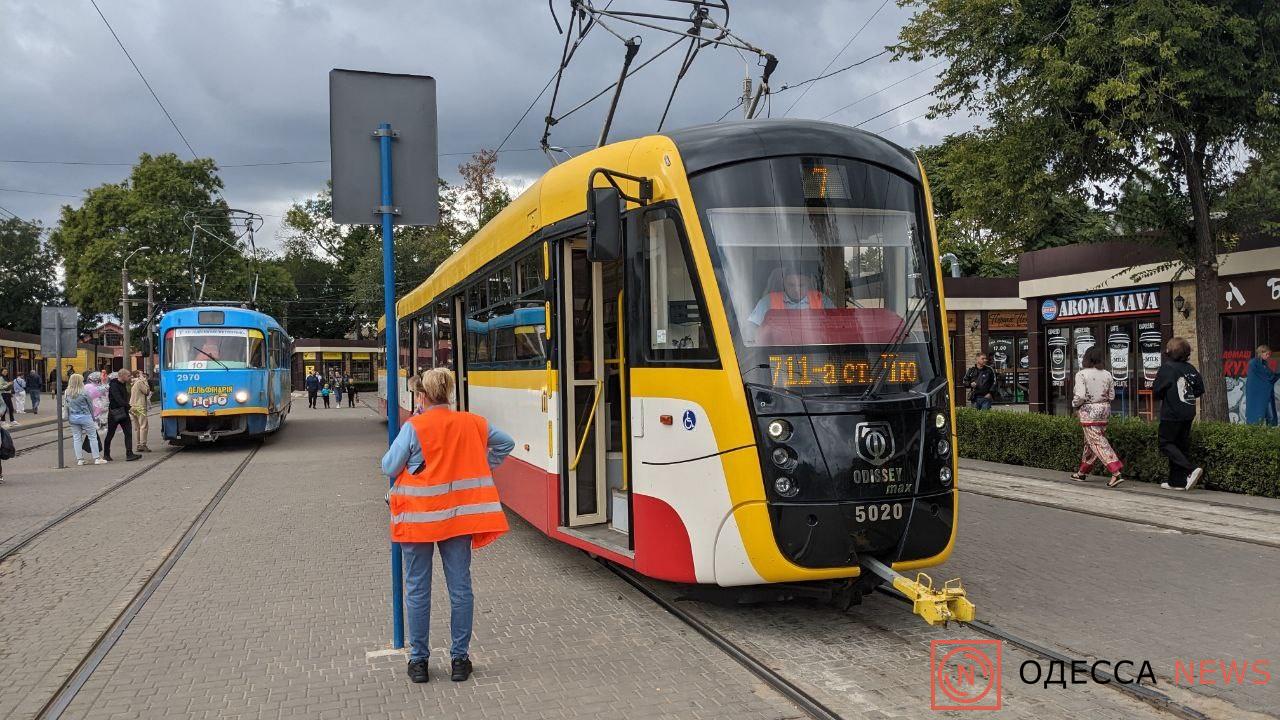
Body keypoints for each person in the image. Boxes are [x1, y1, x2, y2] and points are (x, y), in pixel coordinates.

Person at [381, 368, 514, 684]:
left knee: (417, 588)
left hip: (419, 522)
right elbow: (506, 443)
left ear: (422, 397)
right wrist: (484, 465)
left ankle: (419, 663)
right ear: (449, 393)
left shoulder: (415, 426)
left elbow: (388, 465)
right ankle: (459, 660)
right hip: (458, 519)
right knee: (460, 588)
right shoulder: (473, 423)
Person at [1152, 337, 1204, 491]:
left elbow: (1157, 391)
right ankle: (1177, 482)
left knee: (1165, 443)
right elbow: (1199, 389)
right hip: (1188, 412)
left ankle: (1190, 469)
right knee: (1179, 446)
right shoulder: (1190, 368)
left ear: (1169, 352)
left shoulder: (1167, 368)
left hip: (1172, 412)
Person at [1070, 346, 1125, 487]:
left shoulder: (1082, 374)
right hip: (1105, 410)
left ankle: (1116, 471)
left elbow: (1080, 396)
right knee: (1091, 442)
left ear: (1086, 358)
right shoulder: (1107, 374)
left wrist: (1075, 404)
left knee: (1097, 442)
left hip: (1089, 411)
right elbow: (1111, 395)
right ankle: (1082, 472)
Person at [746, 268, 835, 328]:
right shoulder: (768, 301)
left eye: (801, 285)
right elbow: (752, 328)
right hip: (777, 353)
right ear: (784, 283)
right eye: (791, 285)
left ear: (809, 284)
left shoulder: (822, 300)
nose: (796, 290)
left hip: (816, 352)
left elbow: (836, 326)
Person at [64, 373, 107, 466]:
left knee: (76, 438)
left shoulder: (67, 392)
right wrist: (93, 417)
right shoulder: (84, 392)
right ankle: (97, 458)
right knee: (92, 437)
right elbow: (90, 406)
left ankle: (80, 459)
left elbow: (66, 405)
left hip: (73, 417)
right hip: (85, 417)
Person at [103, 369, 141, 462]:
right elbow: (118, 399)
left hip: (123, 411)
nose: (130, 377)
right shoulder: (114, 385)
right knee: (110, 433)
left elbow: (123, 398)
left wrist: (128, 408)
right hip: (114, 413)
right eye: (128, 376)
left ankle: (129, 453)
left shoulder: (123, 384)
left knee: (128, 432)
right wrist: (129, 407)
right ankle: (106, 454)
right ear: (122, 375)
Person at [1243, 345, 1278, 426]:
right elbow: (1266, 376)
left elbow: (1271, 376)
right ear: (1261, 353)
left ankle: (1270, 430)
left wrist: (1276, 375)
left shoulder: (1264, 364)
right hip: (1256, 394)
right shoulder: (1254, 363)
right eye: (1267, 354)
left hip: (1266, 393)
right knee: (1255, 415)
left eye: (1269, 354)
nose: (1268, 356)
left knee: (1270, 415)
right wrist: (1274, 376)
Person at [130, 370, 152, 452]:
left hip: (133, 406)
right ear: (138, 375)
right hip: (140, 406)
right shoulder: (140, 382)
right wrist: (145, 381)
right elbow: (146, 391)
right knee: (143, 426)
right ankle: (143, 444)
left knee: (137, 427)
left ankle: (138, 444)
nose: (143, 374)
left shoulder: (133, 382)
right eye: (141, 373)